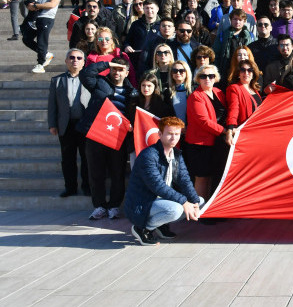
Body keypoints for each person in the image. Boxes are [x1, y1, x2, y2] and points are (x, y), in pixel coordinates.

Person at [125, 117, 203, 246]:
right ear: (160, 134)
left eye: (177, 134)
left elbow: (185, 180)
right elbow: (158, 186)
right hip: (142, 202)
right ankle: (142, 228)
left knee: (200, 202)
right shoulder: (148, 155)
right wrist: (184, 201)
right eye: (170, 134)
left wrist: (194, 201)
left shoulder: (176, 154)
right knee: (176, 210)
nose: (174, 138)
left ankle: (160, 225)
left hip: (162, 200)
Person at [79, 59, 138, 220]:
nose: (117, 73)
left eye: (121, 70)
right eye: (115, 69)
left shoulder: (132, 92)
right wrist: (107, 64)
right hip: (96, 134)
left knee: (117, 172)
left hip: (117, 136)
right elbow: (85, 74)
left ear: (127, 72)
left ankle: (113, 206)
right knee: (95, 172)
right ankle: (99, 206)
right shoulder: (99, 83)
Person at [48, 49, 92, 197]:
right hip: (66, 125)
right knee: (67, 158)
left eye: (79, 58)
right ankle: (70, 187)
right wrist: (52, 124)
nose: (75, 60)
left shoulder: (89, 79)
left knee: (86, 158)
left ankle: (87, 186)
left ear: (84, 62)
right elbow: (52, 105)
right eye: (71, 57)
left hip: (84, 124)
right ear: (66, 61)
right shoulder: (57, 80)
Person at [185, 64, 228, 203]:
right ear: (198, 79)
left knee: (212, 176)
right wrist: (225, 131)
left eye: (211, 76)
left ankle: (207, 206)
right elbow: (203, 121)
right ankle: (198, 208)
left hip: (216, 142)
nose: (207, 79)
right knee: (202, 177)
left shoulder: (219, 92)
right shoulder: (195, 96)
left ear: (216, 78)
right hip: (200, 143)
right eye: (203, 76)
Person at [22, 0, 61, 73]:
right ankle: (46, 54)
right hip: (35, 17)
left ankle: (40, 64)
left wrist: (35, 6)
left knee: (41, 41)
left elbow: (52, 4)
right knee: (26, 38)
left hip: (46, 18)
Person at [225, 59, 264, 144]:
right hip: (244, 133)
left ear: (253, 74)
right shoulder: (234, 88)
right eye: (243, 70)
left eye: (250, 70)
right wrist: (230, 130)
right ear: (238, 73)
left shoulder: (255, 89)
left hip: (258, 131)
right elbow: (233, 110)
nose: (246, 73)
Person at [213, 9, 255, 82]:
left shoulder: (250, 36)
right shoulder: (223, 36)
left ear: (244, 21)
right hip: (227, 71)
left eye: (240, 20)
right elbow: (216, 54)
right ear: (230, 20)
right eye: (235, 19)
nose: (237, 22)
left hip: (245, 71)